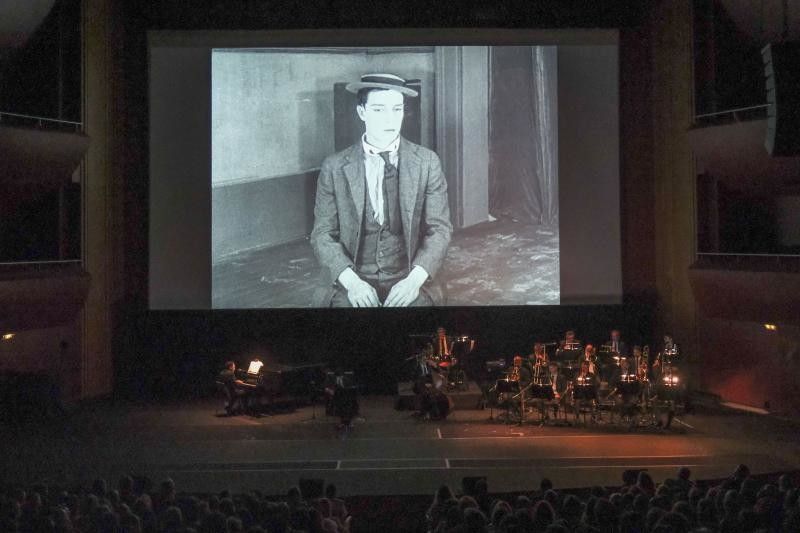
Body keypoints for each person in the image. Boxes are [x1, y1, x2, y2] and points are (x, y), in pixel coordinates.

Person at [310, 73, 452, 307]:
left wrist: (413, 281)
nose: (390, 120)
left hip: (408, 274)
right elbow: (322, 234)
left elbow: (440, 229)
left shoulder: (427, 162)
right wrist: (353, 283)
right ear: (362, 112)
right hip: (354, 276)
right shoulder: (334, 167)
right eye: (378, 110)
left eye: (397, 109)